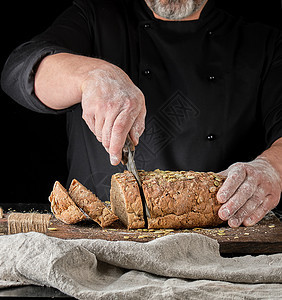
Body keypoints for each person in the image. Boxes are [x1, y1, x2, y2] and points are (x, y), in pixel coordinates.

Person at [1, 0, 282, 228]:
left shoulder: (262, 43)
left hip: (221, 244)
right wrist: (91, 75)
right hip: (96, 242)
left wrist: (272, 168)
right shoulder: (95, 19)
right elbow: (19, 71)